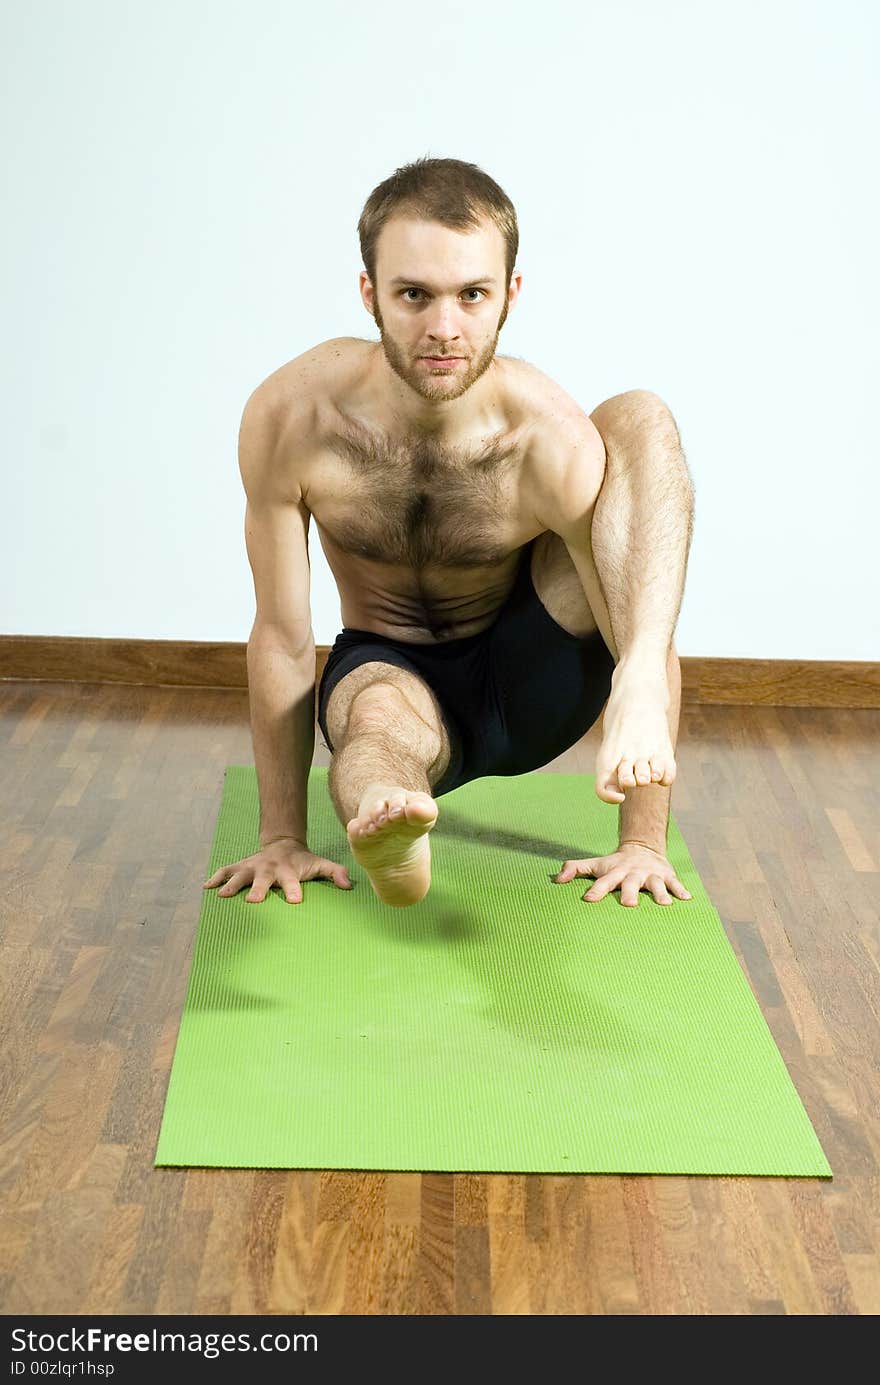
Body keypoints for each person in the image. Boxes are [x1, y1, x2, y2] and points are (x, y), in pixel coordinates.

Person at [203, 157, 695, 910]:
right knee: (372, 729)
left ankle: (635, 696)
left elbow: (639, 616)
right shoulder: (293, 419)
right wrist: (281, 837)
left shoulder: (544, 435)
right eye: (414, 296)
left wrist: (642, 841)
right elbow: (280, 635)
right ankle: (392, 827)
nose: (444, 328)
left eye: (472, 295)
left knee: (640, 418)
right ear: (369, 294)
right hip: (390, 668)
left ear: (509, 297)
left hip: (540, 672)